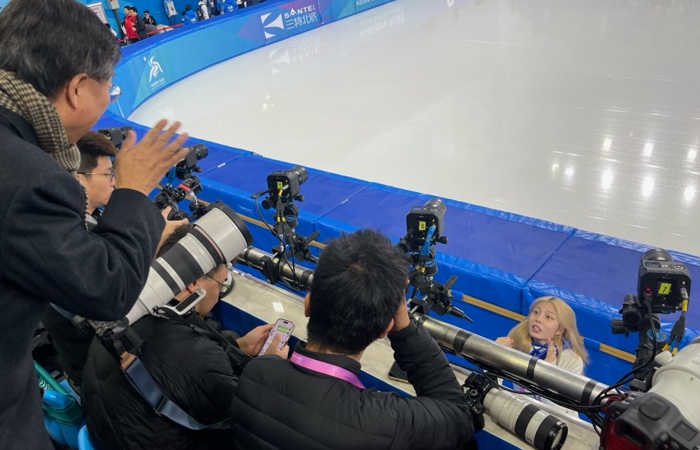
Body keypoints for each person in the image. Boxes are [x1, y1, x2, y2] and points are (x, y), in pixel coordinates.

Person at [0, 0, 190, 446]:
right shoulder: (30, 179)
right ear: (78, 88)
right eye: (110, 87)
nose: (109, 100)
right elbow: (106, 290)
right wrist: (133, 188)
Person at [230, 229, 473, 450]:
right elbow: (457, 414)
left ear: (308, 304)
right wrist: (405, 328)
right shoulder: (385, 420)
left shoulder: (256, 371)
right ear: (385, 329)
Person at [81, 224, 288, 450]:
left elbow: (180, 373)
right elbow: (247, 415)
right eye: (221, 284)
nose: (219, 294)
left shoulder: (123, 312)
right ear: (193, 285)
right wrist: (269, 366)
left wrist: (240, 345)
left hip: (104, 437)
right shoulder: (198, 355)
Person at [496, 296, 589, 416]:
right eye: (535, 312)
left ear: (559, 330)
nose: (538, 319)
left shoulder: (571, 360)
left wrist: (548, 370)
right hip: (519, 415)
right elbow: (491, 383)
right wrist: (496, 355)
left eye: (548, 317)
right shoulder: (517, 343)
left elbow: (557, 412)